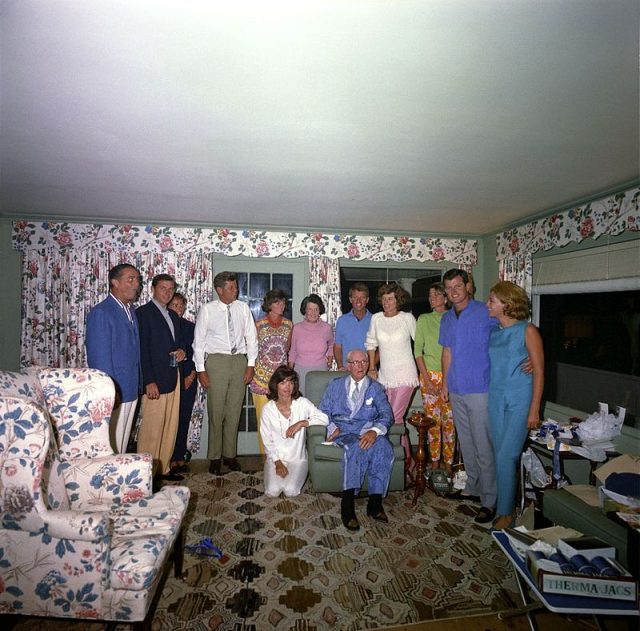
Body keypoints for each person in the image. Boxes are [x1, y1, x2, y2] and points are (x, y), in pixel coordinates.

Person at [439, 268, 498, 524]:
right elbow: (447, 352)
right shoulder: (447, 318)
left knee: (483, 444)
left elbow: (510, 334)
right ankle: (473, 487)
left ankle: (490, 499)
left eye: (457, 286)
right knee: (466, 441)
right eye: (449, 288)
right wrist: (444, 383)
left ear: (468, 286)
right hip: (456, 387)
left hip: (480, 388)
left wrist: (528, 359)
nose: (453, 292)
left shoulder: (486, 312)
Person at [487, 281, 544, 530]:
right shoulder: (495, 332)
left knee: (506, 455)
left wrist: (534, 409)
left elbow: (540, 372)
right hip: (495, 399)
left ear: (507, 304)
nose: (488, 304)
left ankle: (505, 513)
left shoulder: (528, 330)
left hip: (519, 400)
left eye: (492, 300)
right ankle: (505, 504)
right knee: (501, 458)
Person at [318, 350, 395, 532]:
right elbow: (322, 411)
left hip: (366, 429)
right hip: (344, 431)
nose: (360, 366)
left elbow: (386, 414)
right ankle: (348, 506)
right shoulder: (335, 385)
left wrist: (375, 432)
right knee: (355, 448)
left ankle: (375, 504)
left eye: (363, 362)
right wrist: (331, 428)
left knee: (384, 447)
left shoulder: (375, 388)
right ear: (349, 365)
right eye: (355, 362)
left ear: (368, 364)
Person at [193, 271, 258, 475]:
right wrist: (201, 371)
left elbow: (251, 337)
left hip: (239, 361)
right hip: (216, 362)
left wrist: (250, 364)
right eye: (231, 287)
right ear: (219, 290)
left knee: (234, 411)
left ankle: (230, 455)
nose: (236, 290)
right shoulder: (208, 310)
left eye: (236, 286)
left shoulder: (243, 308)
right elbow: (199, 343)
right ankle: (214, 457)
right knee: (216, 411)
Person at [85, 263, 142, 453]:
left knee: (123, 442)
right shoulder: (102, 312)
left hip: (131, 387)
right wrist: (110, 390)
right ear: (114, 282)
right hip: (115, 391)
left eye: (137, 280)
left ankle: (121, 478)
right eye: (130, 279)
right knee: (111, 444)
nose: (136, 285)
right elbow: (99, 359)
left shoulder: (130, 310)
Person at [136, 274, 186, 481]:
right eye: (163, 288)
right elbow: (142, 351)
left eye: (170, 289)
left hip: (173, 376)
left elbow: (179, 344)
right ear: (153, 289)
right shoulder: (143, 314)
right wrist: (149, 381)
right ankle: (145, 475)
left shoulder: (172, 315)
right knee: (152, 429)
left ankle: (163, 468)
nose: (167, 292)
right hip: (155, 380)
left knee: (169, 425)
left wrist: (182, 351)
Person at [365, 282, 418, 469]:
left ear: (398, 300)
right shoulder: (377, 319)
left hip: (406, 375)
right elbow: (371, 344)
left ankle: (397, 462)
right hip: (385, 376)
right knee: (391, 418)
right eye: (384, 299)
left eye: (391, 299)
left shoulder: (407, 318)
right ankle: (405, 459)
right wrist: (372, 367)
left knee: (392, 418)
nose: (386, 302)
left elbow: (419, 344)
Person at [260, 365, 329, 497]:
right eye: (283, 382)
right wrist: (278, 463)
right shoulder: (268, 409)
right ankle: (275, 472)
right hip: (276, 458)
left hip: (298, 459)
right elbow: (267, 439)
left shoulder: (302, 403)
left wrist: (302, 423)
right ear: (276, 385)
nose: (288, 387)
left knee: (290, 491)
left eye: (291, 382)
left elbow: (324, 418)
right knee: (272, 492)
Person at [414, 282, 455, 474]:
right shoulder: (423, 319)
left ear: (446, 298)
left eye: (437, 295)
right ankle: (435, 465)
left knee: (449, 424)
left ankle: (448, 466)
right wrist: (427, 380)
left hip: (451, 377)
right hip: (429, 375)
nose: (432, 298)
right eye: (430, 295)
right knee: (433, 424)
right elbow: (417, 352)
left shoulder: (454, 318)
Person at [250, 289, 293, 452]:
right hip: (261, 379)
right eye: (277, 302)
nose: (281, 305)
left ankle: (282, 457)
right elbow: (251, 351)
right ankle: (266, 458)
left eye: (283, 302)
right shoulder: (258, 325)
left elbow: (286, 350)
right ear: (268, 305)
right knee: (264, 422)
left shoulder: (289, 325)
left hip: (281, 381)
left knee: (282, 421)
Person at [168, 292, 197, 474]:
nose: (179, 309)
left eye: (181, 305)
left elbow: (197, 352)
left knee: (184, 418)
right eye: (175, 305)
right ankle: (167, 458)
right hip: (169, 380)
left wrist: (191, 375)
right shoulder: (163, 326)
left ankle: (179, 456)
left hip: (188, 378)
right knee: (169, 420)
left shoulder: (190, 327)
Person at [288, 294, 334, 394]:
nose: (313, 312)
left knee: (319, 401)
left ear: (320, 311)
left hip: (320, 371)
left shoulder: (326, 328)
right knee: (301, 403)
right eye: (310, 309)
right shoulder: (297, 328)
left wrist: (329, 361)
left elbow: (331, 345)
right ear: (305, 310)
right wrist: (290, 373)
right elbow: (293, 352)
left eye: (316, 309)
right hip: (300, 372)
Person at [334, 283, 372, 370]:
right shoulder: (342, 320)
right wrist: (340, 366)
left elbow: (380, 349)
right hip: (347, 370)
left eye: (362, 297)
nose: (358, 301)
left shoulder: (374, 320)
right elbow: (337, 346)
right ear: (350, 299)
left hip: (367, 371)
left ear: (367, 300)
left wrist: (371, 367)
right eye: (355, 297)